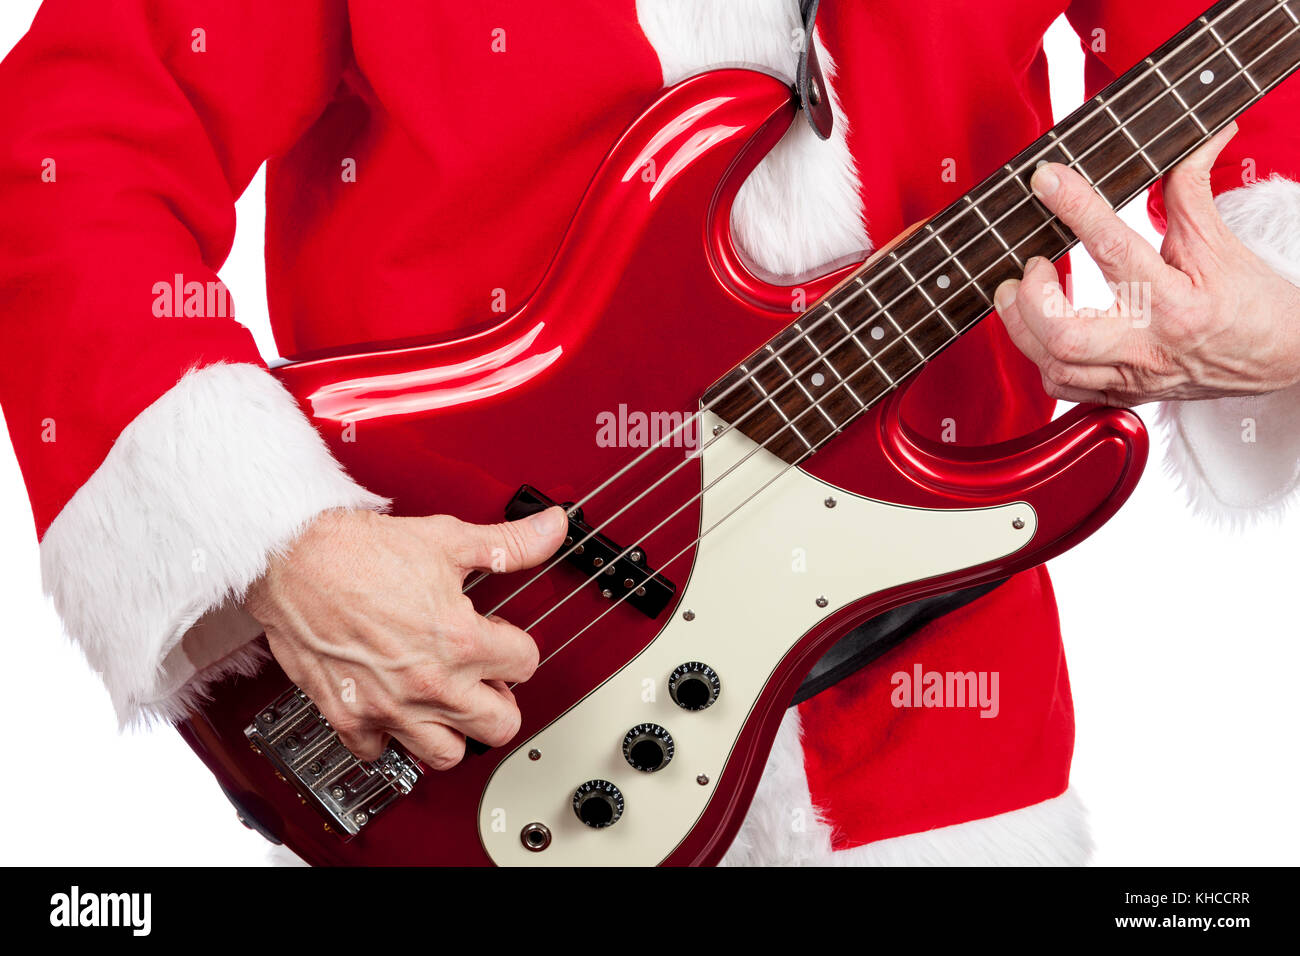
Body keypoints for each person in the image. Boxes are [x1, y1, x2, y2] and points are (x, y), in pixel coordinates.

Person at [1, 0, 1297, 866]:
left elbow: (1253, 86)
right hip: (483, 643)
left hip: (938, 732)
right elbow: (71, 150)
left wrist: (1283, 318)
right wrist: (284, 543)